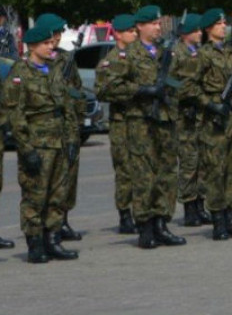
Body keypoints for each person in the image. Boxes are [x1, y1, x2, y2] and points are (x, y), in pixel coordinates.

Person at [101, 5, 185, 249]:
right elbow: (106, 88)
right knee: (144, 176)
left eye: (159, 23)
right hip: (140, 123)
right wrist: (142, 90)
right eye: (153, 23)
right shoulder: (128, 55)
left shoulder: (165, 53)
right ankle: (145, 226)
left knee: (167, 174)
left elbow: (179, 83)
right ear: (140, 26)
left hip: (165, 121)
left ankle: (162, 223)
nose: (158, 27)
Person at [2, 24, 79, 263]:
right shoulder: (20, 73)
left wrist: (72, 139)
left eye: (51, 43)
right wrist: (26, 149)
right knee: (35, 196)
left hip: (59, 141)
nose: (50, 47)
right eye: (45, 44)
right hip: (37, 144)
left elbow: (66, 107)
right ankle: (35, 243)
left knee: (57, 194)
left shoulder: (54, 69)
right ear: (32, 46)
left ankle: (52, 239)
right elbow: (15, 115)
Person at [183, 8, 232, 241]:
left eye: (224, 23)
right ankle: (218, 220)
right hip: (214, 122)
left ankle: (230, 216)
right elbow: (189, 87)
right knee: (215, 171)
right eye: (219, 24)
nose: (224, 26)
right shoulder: (202, 55)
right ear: (208, 29)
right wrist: (210, 104)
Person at [37, 13, 86, 243]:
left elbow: (77, 88)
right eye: (54, 33)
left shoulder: (66, 58)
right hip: (46, 130)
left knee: (68, 176)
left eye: (59, 33)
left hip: (69, 126)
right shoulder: (35, 61)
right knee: (46, 180)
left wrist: (79, 118)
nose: (57, 37)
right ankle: (44, 226)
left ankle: (62, 220)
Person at [95, 13, 140, 234]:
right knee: (124, 170)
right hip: (122, 122)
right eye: (130, 31)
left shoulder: (138, 57)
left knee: (141, 169)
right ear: (119, 34)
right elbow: (102, 91)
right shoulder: (110, 60)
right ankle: (125, 214)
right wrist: (135, 91)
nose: (135, 34)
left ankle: (141, 212)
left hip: (140, 120)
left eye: (135, 30)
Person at [169, 13, 212, 228]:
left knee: (202, 161)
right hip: (184, 115)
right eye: (196, 30)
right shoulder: (176, 53)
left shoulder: (199, 52)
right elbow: (170, 83)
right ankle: (189, 207)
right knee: (189, 163)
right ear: (186, 33)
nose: (200, 33)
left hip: (199, 114)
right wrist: (188, 92)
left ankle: (200, 204)